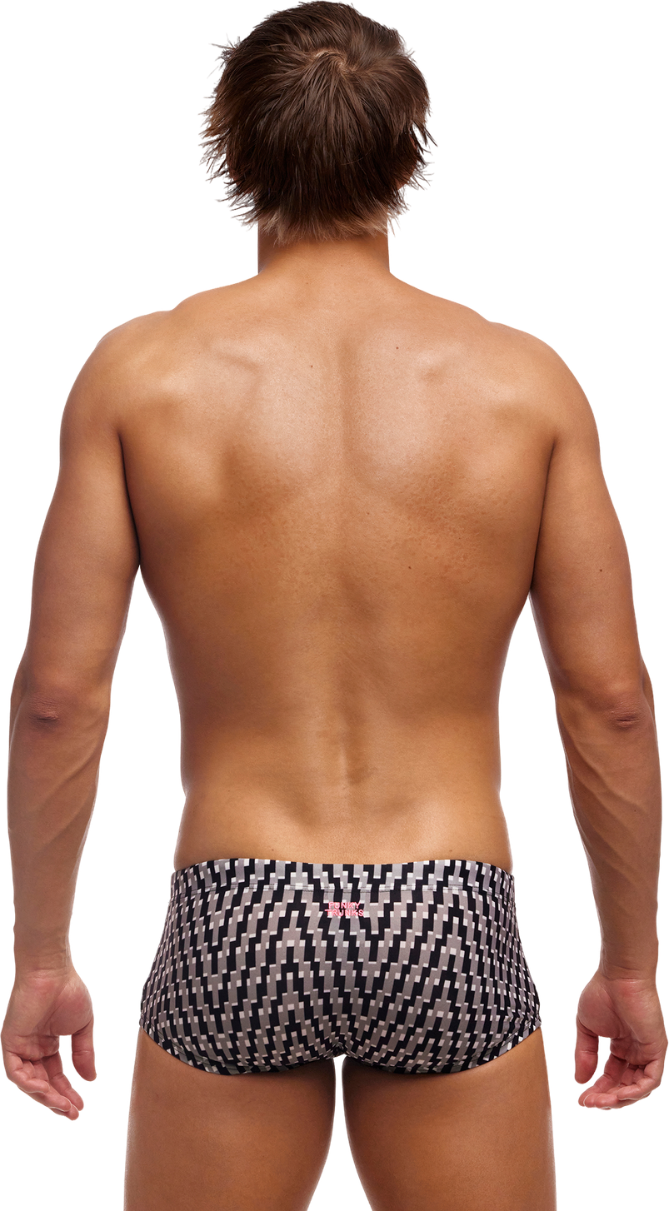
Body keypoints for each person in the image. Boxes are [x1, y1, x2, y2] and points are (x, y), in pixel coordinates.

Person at [2, 4, 666, 1209]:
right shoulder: (525, 383)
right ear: (410, 156)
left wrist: (42, 959)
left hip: (238, 897)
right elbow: (608, 701)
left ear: (232, 148)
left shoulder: (140, 374)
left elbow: (59, 698)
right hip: (447, 899)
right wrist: (630, 966)